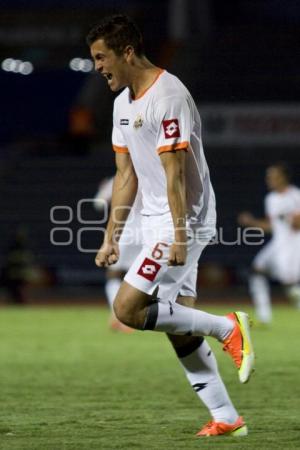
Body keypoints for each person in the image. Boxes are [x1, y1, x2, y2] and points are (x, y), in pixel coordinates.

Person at [87, 14, 254, 437]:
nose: (97, 67)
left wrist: (179, 235)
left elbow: (175, 174)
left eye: (101, 57)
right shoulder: (122, 104)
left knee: (127, 308)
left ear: (127, 52)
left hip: (186, 218)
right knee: (179, 324)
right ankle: (227, 419)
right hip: (155, 219)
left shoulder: (169, 93)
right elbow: (126, 177)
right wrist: (112, 238)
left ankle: (228, 327)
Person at [238, 163, 300, 324]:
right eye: (268, 176)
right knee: (256, 271)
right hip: (277, 243)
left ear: (284, 177)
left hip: (293, 244)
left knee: (290, 285)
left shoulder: (295, 196)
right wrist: (251, 222)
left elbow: (297, 224)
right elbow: (273, 227)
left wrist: (295, 219)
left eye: (273, 176)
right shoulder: (271, 199)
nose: (269, 179)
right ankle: (264, 317)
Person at [94, 176, 142, 332]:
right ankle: (134, 314)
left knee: (114, 274)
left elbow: (99, 204)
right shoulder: (152, 174)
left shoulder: (118, 179)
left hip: (125, 232)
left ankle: (119, 315)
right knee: (141, 275)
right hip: (149, 232)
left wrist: (104, 189)